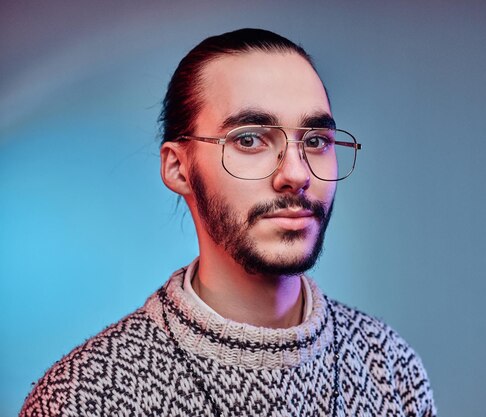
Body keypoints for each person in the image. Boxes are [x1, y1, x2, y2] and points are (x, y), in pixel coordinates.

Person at [20, 28, 436, 417]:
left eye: (316, 141)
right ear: (178, 168)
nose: (296, 172)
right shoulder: (86, 398)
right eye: (249, 139)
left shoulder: (389, 368)